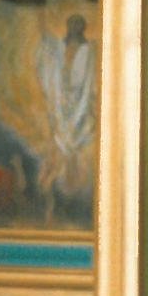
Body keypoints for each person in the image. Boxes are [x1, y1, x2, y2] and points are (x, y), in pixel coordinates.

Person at [36, 12, 96, 217]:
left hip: (78, 101)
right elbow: (50, 55)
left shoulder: (89, 51)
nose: (75, 29)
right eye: (72, 25)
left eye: (78, 25)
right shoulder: (59, 48)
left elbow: (89, 79)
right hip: (64, 100)